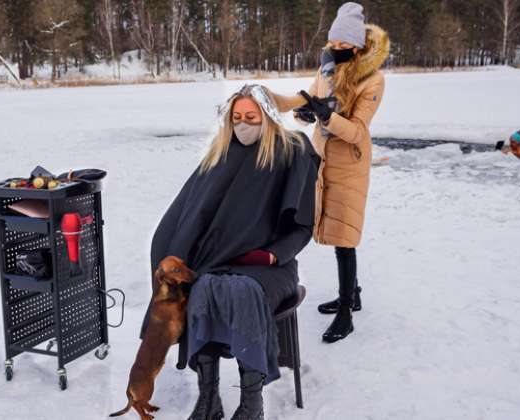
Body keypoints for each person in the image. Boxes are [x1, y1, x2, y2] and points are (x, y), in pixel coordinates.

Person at [140, 84, 320, 420]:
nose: (243, 124)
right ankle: (209, 400)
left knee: (241, 290)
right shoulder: (220, 155)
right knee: (202, 287)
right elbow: (189, 214)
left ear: (267, 116)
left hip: (268, 266)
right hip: (218, 261)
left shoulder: (291, 152)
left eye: (251, 117)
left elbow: (302, 228)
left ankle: (252, 404)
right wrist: (172, 256)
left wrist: (271, 256)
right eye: (236, 117)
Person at [271, 2, 390, 343]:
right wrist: (302, 114)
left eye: (343, 45)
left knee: (344, 236)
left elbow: (357, 132)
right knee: (333, 230)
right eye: (332, 43)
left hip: (349, 163)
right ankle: (351, 294)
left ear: (357, 45)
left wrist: (326, 117)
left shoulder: (373, 79)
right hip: (321, 159)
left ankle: (346, 312)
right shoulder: (326, 67)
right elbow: (307, 98)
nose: (335, 49)